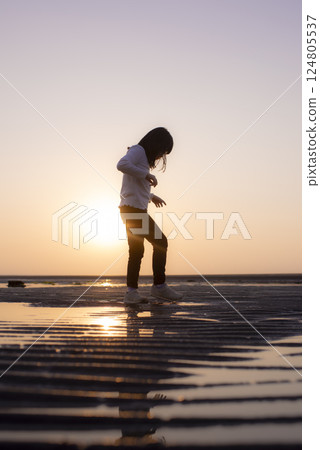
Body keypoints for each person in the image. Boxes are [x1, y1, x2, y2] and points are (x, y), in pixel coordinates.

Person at [117, 127, 183, 305]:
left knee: (137, 251)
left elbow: (135, 186)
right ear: (156, 144)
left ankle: (131, 293)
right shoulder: (137, 151)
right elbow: (121, 165)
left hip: (132, 209)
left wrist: (152, 197)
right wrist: (146, 174)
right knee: (160, 241)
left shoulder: (141, 157)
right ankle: (159, 286)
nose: (161, 156)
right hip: (132, 210)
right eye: (162, 151)